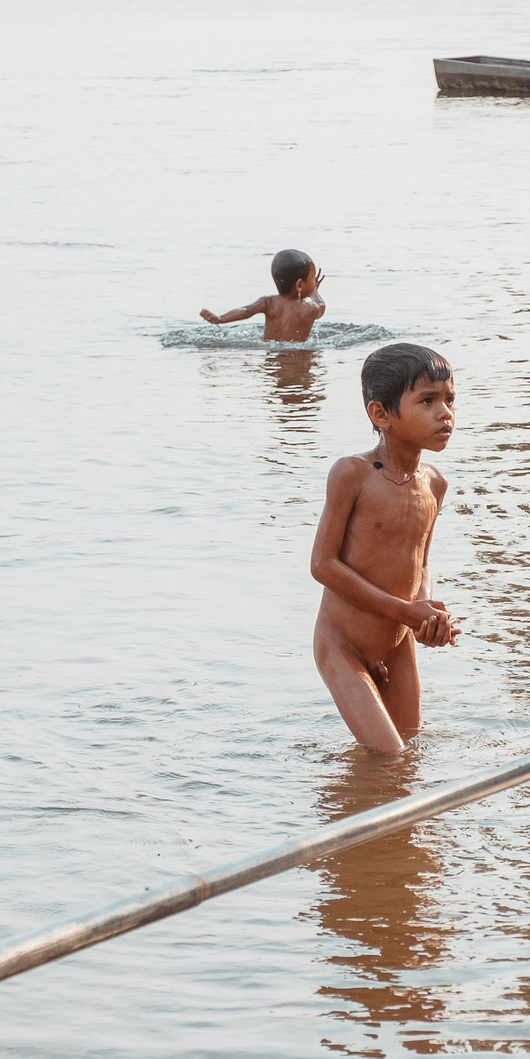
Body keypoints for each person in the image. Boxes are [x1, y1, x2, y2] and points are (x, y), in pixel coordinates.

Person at [310, 344, 458, 754]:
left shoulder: (434, 483)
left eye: (449, 400)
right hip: (343, 643)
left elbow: (421, 563)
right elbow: (322, 565)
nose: (444, 412)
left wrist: (426, 612)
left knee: (411, 751)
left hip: (397, 642)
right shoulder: (351, 474)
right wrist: (406, 612)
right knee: (388, 756)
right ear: (381, 415)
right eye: (427, 401)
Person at [200, 250, 327, 343]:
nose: (313, 283)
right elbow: (321, 307)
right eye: (312, 278)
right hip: (298, 355)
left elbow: (246, 311)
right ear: (300, 284)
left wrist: (220, 318)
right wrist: (314, 291)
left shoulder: (269, 302)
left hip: (271, 356)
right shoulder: (310, 308)